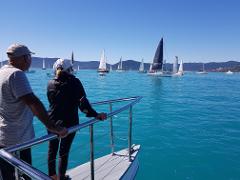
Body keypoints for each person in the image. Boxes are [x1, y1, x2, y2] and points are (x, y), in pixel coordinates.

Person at [0, 44, 68, 180]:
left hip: (3, 135)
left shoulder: (2, 72)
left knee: (8, 174)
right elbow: (33, 102)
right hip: (18, 137)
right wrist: (52, 127)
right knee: (26, 173)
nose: (31, 60)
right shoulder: (16, 74)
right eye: (30, 57)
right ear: (25, 58)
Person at [47, 58, 107, 180]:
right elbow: (83, 104)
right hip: (69, 123)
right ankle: (62, 177)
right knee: (63, 152)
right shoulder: (75, 82)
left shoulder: (50, 83)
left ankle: (52, 177)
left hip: (52, 123)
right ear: (70, 69)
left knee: (52, 150)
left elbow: (53, 103)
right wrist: (96, 115)